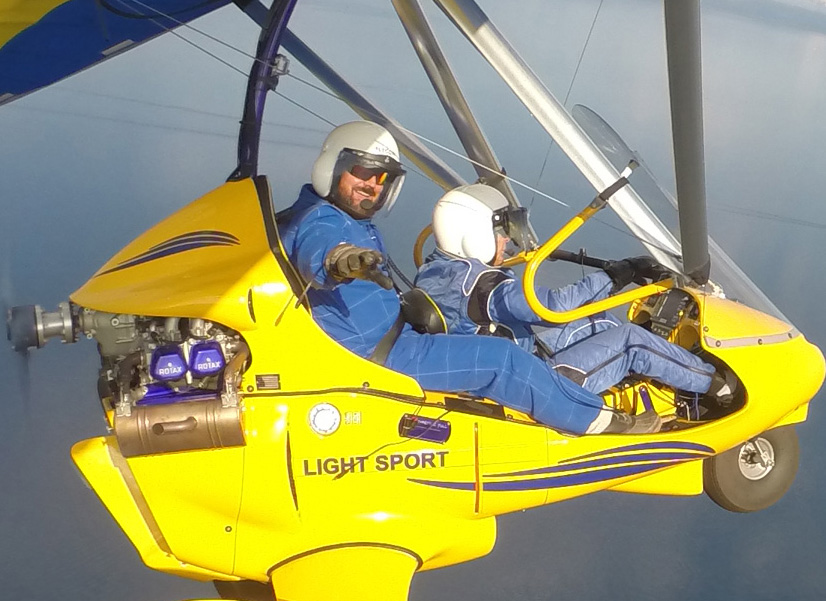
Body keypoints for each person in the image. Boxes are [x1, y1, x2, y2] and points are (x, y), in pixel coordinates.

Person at [278, 120, 660, 435]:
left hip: (394, 341)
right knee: (500, 360)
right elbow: (320, 252)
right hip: (385, 356)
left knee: (504, 350)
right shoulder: (321, 223)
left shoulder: (335, 215)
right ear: (334, 167)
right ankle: (597, 421)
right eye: (364, 172)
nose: (373, 185)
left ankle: (570, 401)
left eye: (382, 178)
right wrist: (339, 260)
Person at [414, 183, 734, 401]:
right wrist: (619, 272)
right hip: (529, 386)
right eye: (500, 233)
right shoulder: (483, 287)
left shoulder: (435, 269)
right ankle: (717, 386)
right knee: (630, 341)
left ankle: (668, 365)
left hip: (504, 367)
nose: (507, 242)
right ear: (472, 234)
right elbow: (552, 305)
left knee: (596, 323)